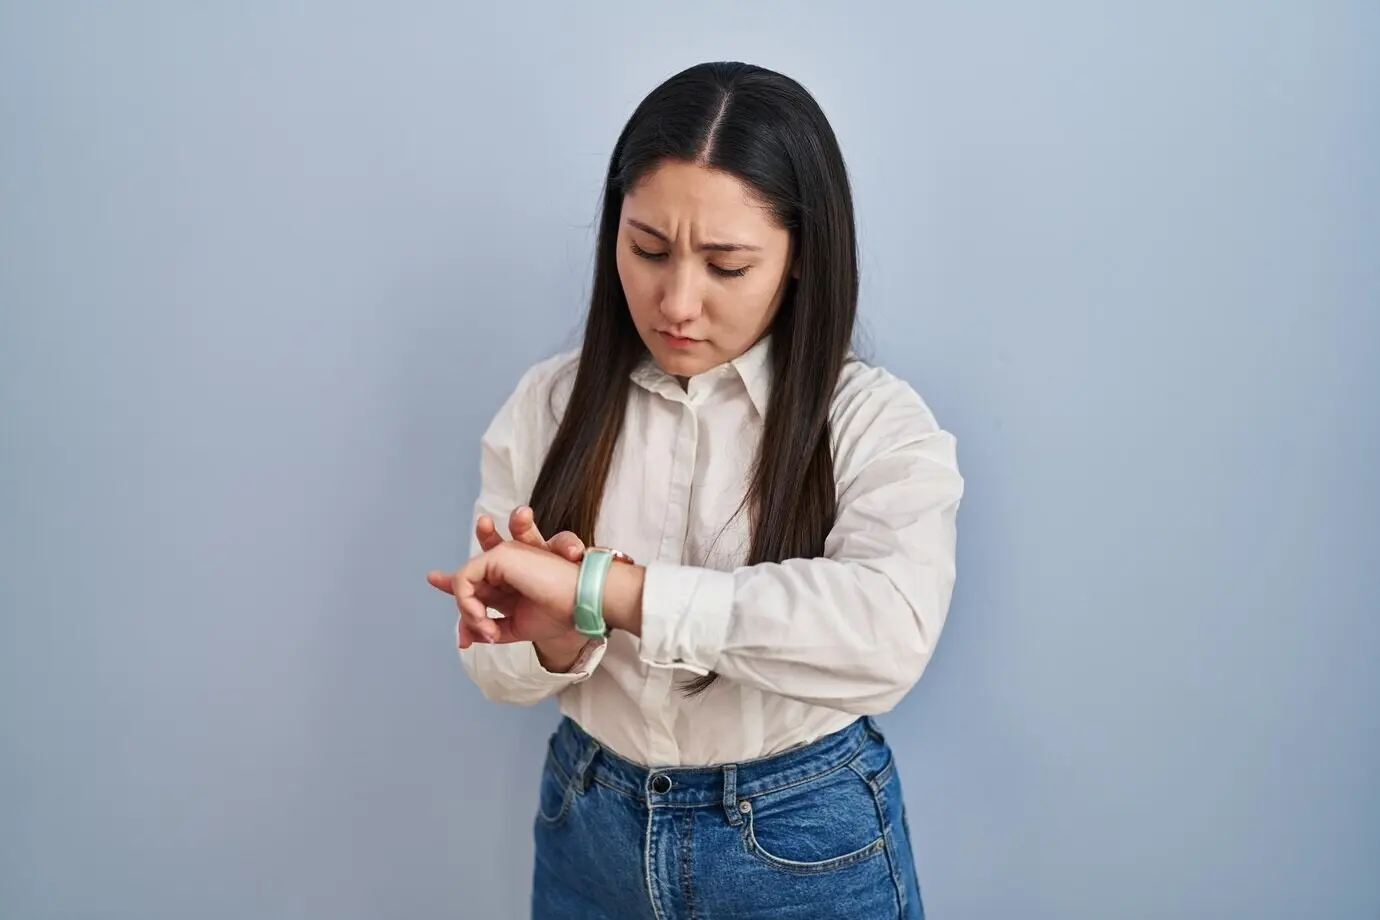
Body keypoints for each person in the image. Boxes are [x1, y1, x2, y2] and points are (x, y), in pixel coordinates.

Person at [428, 61, 962, 920]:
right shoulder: (550, 404)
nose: (676, 300)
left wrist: (608, 590)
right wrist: (555, 640)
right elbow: (495, 668)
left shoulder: (871, 421)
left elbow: (887, 635)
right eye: (646, 250)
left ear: (798, 260)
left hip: (801, 843)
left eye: (727, 265)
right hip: (588, 820)